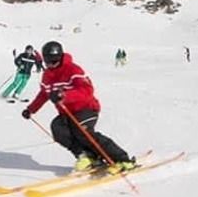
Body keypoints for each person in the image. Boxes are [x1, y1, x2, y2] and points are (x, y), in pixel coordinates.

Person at [22, 41, 136, 173]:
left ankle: (122, 159)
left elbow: (87, 91)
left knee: (83, 132)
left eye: (53, 62)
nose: (50, 65)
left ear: (60, 58)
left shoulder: (73, 70)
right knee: (58, 129)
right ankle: (88, 157)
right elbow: (44, 94)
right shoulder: (47, 75)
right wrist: (31, 109)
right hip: (67, 112)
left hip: (86, 108)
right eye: (47, 62)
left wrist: (64, 95)